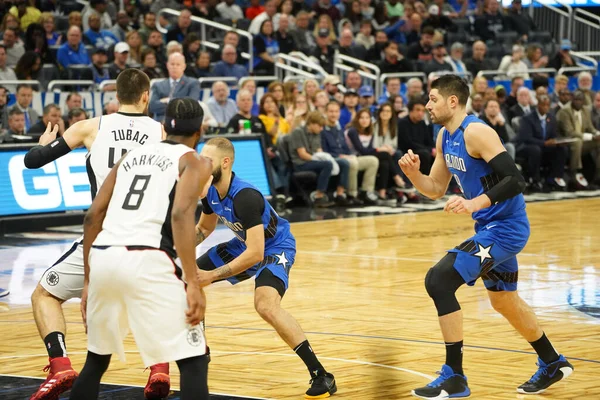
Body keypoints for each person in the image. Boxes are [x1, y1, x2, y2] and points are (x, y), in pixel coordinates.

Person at [399, 75, 573, 399]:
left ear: (453, 101)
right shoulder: (443, 137)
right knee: (504, 301)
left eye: (433, 98)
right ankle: (552, 361)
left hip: (507, 228)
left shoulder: (476, 132)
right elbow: (435, 188)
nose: (427, 105)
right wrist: (413, 176)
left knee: (438, 280)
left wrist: (473, 203)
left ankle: (455, 377)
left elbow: (515, 179)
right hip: (489, 229)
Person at [24, 69, 168, 400]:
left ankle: (60, 365)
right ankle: (159, 366)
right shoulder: (159, 132)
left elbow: (33, 162)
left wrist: (43, 145)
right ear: (146, 96)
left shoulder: (90, 126)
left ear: (115, 96)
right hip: (146, 233)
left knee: (44, 296)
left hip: (104, 234)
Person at [69, 98, 212, 400]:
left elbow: (93, 216)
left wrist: (87, 280)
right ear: (200, 131)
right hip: (148, 258)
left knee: (95, 362)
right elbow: (180, 215)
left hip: (105, 257)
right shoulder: (191, 160)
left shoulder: (130, 156)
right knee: (194, 361)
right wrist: (193, 282)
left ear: (165, 124)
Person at [195, 137, 337, 398]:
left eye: (208, 159)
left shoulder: (246, 196)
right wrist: (174, 244)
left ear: (225, 163)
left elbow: (257, 253)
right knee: (187, 280)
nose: (202, 163)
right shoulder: (211, 190)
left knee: (265, 305)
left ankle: (321, 374)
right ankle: (199, 351)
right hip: (244, 244)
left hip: (275, 247)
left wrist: (212, 275)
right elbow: (204, 228)